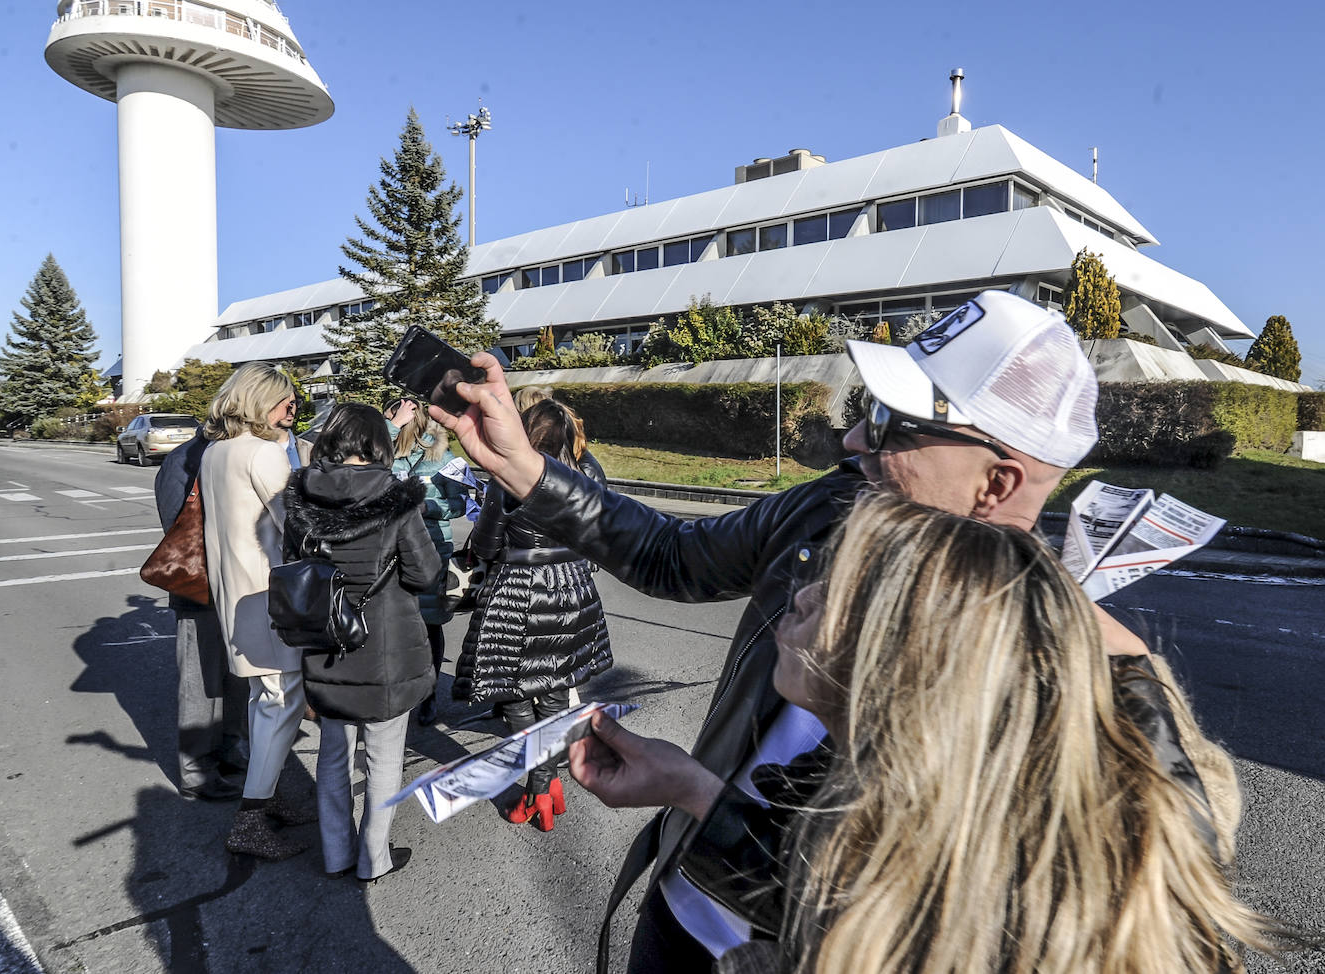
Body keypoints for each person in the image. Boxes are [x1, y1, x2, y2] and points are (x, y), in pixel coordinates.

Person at [432, 289, 1220, 971]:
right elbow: (675, 556)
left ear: (998, 482)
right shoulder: (833, 505)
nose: (853, 441)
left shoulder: (1090, 675)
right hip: (691, 909)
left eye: (891, 424)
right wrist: (523, 469)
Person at [573, 492, 1268, 973]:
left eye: (837, 586)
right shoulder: (948, 826)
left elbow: (823, 900)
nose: (801, 590)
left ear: (895, 666)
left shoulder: (901, 925)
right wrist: (693, 788)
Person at [283, 403, 441, 882]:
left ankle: (335, 852)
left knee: (333, 751)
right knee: (384, 754)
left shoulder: (301, 493)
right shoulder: (394, 495)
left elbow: (293, 566)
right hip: (385, 645)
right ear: (380, 442)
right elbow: (425, 571)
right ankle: (374, 857)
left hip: (325, 641)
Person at [454, 399, 613, 831]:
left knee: (515, 695)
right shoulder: (585, 474)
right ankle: (547, 788)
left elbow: (485, 546)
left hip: (519, 590)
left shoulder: (509, 478)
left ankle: (540, 789)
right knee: (556, 691)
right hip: (573, 588)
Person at [201, 362, 314, 861]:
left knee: (262, 700)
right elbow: (298, 524)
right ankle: (251, 816)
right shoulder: (263, 453)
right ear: (258, 401)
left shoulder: (215, 452)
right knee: (280, 701)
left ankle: (267, 792)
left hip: (234, 590)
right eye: (285, 398)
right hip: (269, 593)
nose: (293, 406)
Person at [153, 428, 247, 801]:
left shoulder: (231, 452)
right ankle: (196, 772)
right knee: (201, 685)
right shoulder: (185, 459)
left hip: (235, 587)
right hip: (201, 590)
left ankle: (232, 754)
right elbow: (180, 533)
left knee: (238, 678)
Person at [391, 400, 470, 725]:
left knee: (429, 624)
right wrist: (393, 424)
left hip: (432, 550)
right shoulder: (392, 456)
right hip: (394, 550)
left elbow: (462, 503)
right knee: (398, 626)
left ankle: (428, 695)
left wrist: (430, 508)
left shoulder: (448, 461)